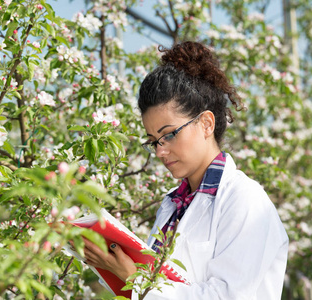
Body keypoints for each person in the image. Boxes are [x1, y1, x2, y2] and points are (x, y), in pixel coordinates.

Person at [82, 41, 289, 300]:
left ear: (206, 123)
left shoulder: (245, 199)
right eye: (153, 141)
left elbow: (228, 296)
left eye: (169, 135)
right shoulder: (172, 205)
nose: (159, 151)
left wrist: (134, 278)